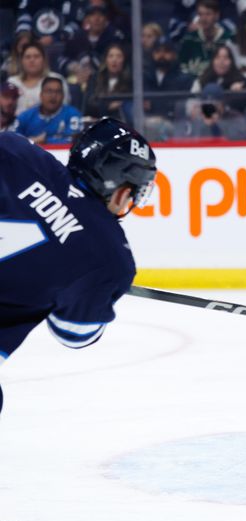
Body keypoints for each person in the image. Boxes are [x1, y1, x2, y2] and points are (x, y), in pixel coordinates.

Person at [0, 117, 156, 363]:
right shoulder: (110, 258)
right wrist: (102, 292)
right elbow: (72, 333)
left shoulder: (12, 147)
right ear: (123, 193)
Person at [12, 76, 83, 145]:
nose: (53, 96)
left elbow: (73, 141)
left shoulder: (72, 114)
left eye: (58, 92)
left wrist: (46, 141)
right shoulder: (26, 116)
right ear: (41, 95)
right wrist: (33, 141)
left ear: (63, 96)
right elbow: (14, 141)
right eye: (49, 91)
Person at [7, 42, 70, 114]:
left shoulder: (56, 80)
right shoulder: (12, 82)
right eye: (28, 57)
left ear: (44, 60)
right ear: (21, 61)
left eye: (36, 56)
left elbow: (64, 110)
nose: (32, 60)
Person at [178, 0, 234, 77]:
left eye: (208, 14)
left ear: (217, 15)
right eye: (200, 14)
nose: (204, 19)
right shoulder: (189, 39)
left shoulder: (228, 39)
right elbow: (182, 67)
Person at [83, 43, 133, 122]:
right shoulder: (95, 79)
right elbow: (88, 105)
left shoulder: (130, 82)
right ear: (106, 60)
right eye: (111, 56)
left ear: (124, 60)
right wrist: (108, 107)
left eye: (119, 56)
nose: (114, 60)